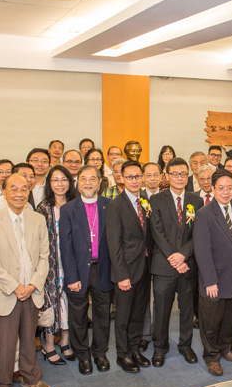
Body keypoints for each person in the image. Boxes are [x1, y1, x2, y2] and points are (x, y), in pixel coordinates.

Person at [0, 176, 52, 387]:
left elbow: (44, 256)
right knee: (5, 341)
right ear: (3, 191)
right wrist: (15, 286)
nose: (19, 193)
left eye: (24, 189)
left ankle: (31, 377)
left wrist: (32, 285)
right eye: (14, 189)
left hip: (32, 291)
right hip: (5, 292)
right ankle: (2, 384)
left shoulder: (37, 219)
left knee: (29, 338)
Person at [193, 169, 232, 376]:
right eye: (221, 188)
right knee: (211, 321)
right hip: (214, 279)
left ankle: (225, 347)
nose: (226, 192)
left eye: (229, 188)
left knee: (230, 319)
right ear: (212, 188)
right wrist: (210, 281)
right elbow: (201, 251)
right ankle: (212, 356)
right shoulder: (204, 214)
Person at [60, 165, 113, 375]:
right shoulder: (68, 209)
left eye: (93, 178)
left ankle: (100, 352)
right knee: (78, 315)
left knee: (102, 315)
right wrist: (71, 276)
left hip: (104, 270)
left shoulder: (110, 206)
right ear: (77, 183)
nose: (88, 182)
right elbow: (66, 246)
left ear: (100, 182)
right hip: (78, 272)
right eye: (84, 179)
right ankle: (83, 355)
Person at [149, 158, 201, 366]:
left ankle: (185, 346)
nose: (179, 178)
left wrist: (183, 255)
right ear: (167, 176)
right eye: (175, 174)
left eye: (183, 174)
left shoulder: (196, 201)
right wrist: (175, 258)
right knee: (162, 310)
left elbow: (197, 233)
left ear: (187, 176)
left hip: (188, 265)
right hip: (164, 265)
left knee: (187, 309)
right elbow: (157, 233)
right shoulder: (156, 200)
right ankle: (160, 348)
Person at [106, 160, 153, 373]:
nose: (134, 180)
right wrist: (121, 274)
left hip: (143, 267)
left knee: (138, 313)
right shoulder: (116, 205)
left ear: (142, 177)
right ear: (122, 179)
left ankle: (135, 349)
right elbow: (114, 244)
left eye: (137, 176)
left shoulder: (145, 200)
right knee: (123, 316)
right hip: (126, 271)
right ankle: (122, 355)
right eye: (130, 177)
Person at [34, 166, 78, 364]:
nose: (60, 184)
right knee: (50, 304)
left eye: (63, 179)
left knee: (70, 302)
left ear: (70, 182)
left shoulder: (76, 204)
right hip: (51, 263)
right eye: (55, 180)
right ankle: (49, 345)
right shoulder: (43, 208)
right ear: (49, 184)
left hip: (72, 262)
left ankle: (66, 341)